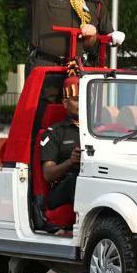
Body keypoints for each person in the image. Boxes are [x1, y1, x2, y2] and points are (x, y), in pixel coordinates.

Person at [39, 71, 82, 220]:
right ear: (65, 103)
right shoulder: (54, 132)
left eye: (85, 98)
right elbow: (48, 174)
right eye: (76, 99)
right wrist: (71, 162)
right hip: (62, 187)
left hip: (93, 181)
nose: (82, 103)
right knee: (75, 180)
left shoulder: (99, 131)